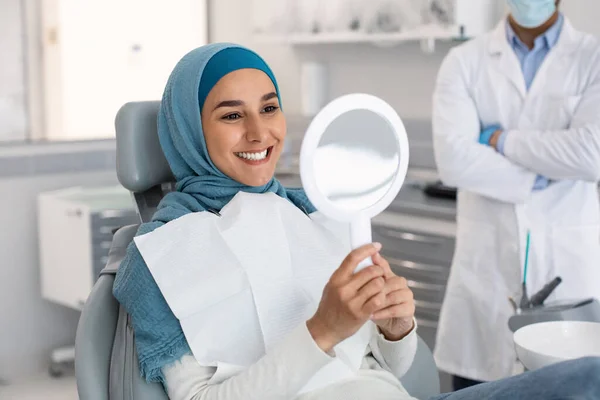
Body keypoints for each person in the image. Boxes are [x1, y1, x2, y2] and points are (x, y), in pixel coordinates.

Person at [113, 43, 600, 400]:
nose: (259, 131)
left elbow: (386, 368)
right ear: (190, 129)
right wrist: (322, 330)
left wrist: (395, 328)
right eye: (230, 115)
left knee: (588, 378)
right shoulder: (163, 254)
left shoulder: (314, 216)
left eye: (269, 107)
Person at [432, 0, 600, 391]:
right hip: (486, 282)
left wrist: (498, 139)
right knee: (477, 388)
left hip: (569, 276)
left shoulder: (592, 56)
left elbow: (591, 154)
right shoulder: (463, 61)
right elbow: (453, 160)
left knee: (573, 384)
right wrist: (545, 171)